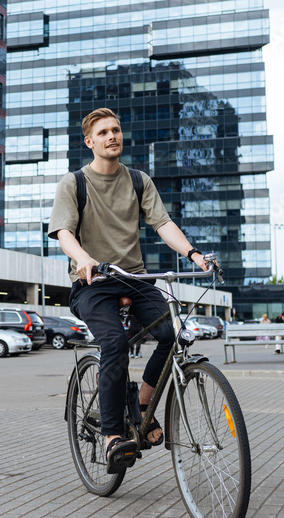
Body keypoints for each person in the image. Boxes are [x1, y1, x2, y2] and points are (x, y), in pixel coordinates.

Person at [48, 108, 212, 474]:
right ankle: (111, 435)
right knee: (115, 343)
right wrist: (83, 258)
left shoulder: (138, 181)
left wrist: (194, 254)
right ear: (90, 142)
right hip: (92, 283)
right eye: (103, 132)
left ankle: (141, 406)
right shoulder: (74, 183)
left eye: (116, 130)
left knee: (173, 334)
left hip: (133, 278)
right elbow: (63, 232)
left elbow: (163, 223)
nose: (112, 136)